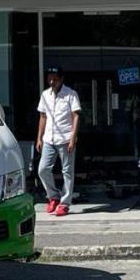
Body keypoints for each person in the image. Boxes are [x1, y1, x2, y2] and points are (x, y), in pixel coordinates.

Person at [36, 66, 81, 217]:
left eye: (55, 78)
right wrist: (39, 138)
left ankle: (65, 202)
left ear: (61, 79)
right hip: (49, 138)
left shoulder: (70, 94)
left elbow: (76, 116)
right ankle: (53, 196)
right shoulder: (45, 95)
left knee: (67, 171)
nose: (51, 81)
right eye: (49, 78)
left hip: (65, 138)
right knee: (42, 169)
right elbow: (43, 117)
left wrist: (73, 138)